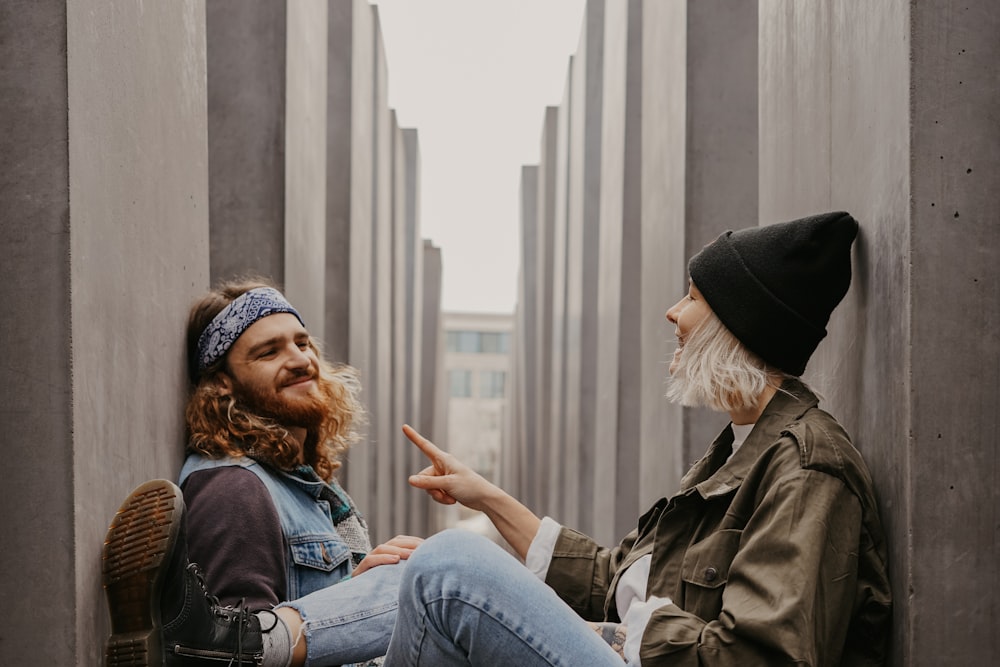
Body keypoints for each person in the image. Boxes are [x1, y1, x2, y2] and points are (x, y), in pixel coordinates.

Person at [384, 211, 892, 666]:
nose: (673, 313)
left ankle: (300, 635)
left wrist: (626, 635)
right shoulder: (734, 452)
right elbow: (615, 582)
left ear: (740, 327)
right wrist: (485, 495)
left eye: (693, 298)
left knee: (447, 566)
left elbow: (762, 657)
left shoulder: (805, 467)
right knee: (412, 572)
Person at [102, 279, 420, 666]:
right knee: (437, 578)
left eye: (302, 343)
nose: (301, 360)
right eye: (269, 352)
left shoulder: (301, 484)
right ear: (223, 382)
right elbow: (232, 654)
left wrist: (359, 593)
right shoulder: (234, 489)